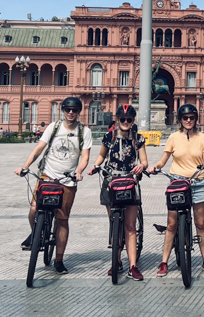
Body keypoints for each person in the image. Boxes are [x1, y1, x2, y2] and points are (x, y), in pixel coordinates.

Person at [14, 96, 92, 275]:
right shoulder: (54, 127)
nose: (71, 112)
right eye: (67, 109)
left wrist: (78, 171)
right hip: (47, 174)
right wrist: (25, 167)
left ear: (79, 112)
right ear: (63, 110)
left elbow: (85, 157)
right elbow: (38, 149)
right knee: (34, 208)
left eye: (74, 110)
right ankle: (37, 234)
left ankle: (59, 259)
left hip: (68, 179)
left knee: (62, 219)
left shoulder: (84, 132)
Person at [148, 104, 204, 277]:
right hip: (177, 182)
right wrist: (154, 167)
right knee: (171, 224)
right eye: (185, 118)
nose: (188, 120)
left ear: (195, 119)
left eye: (191, 118)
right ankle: (164, 262)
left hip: (198, 182)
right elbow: (163, 160)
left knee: (200, 224)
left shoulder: (202, 138)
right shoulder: (173, 137)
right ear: (180, 119)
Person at [88, 104, 148, 280]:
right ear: (117, 120)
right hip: (111, 181)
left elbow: (144, 160)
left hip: (129, 181)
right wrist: (95, 166)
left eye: (129, 119)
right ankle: (117, 260)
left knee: (130, 226)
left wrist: (141, 166)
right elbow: (101, 155)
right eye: (123, 119)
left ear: (133, 120)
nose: (126, 122)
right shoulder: (110, 136)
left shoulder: (138, 138)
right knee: (114, 223)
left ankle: (132, 266)